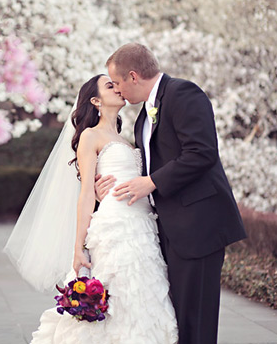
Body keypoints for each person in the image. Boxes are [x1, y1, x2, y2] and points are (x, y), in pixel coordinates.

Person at [4, 74, 178, 344]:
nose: (118, 88)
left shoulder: (126, 138)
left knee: (142, 296)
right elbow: (86, 192)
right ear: (96, 101)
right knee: (118, 297)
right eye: (111, 86)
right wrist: (78, 247)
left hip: (143, 227)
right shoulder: (89, 135)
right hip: (115, 228)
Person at [98, 43, 247, 344]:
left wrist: (151, 182)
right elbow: (151, 163)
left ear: (133, 76)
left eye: (117, 83)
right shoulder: (142, 116)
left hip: (198, 226)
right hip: (168, 228)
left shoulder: (183, 93)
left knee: (197, 321)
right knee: (177, 320)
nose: (117, 91)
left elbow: (202, 153)